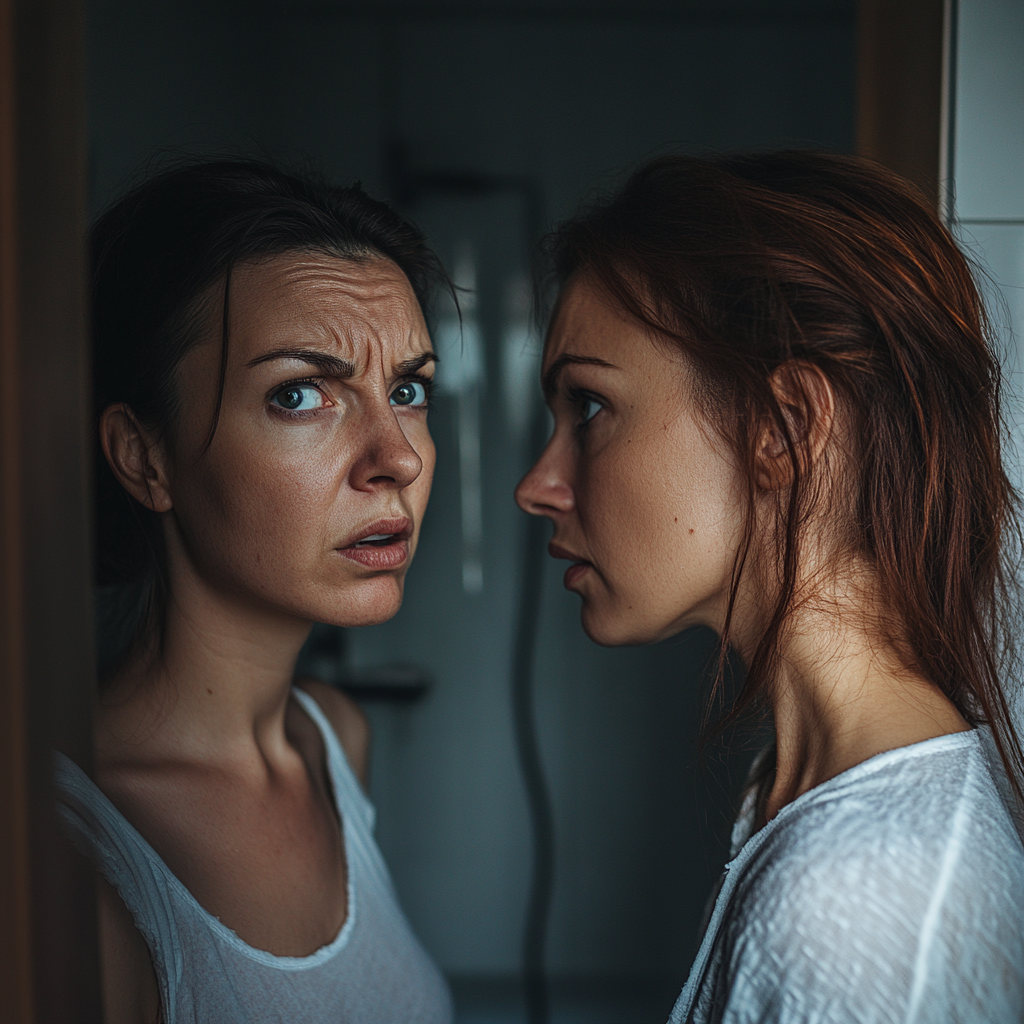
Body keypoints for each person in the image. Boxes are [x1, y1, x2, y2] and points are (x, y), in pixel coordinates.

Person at [515, 151, 1024, 1022]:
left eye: (590, 407)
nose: (538, 484)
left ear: (784, 431)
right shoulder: (793, 788)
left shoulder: (857, 909)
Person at [56, 160, 453, 1024]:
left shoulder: (333, 742)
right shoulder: (71, 857)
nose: (400, 458)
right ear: (143, 457)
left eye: (408, 390)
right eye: (302, 394)